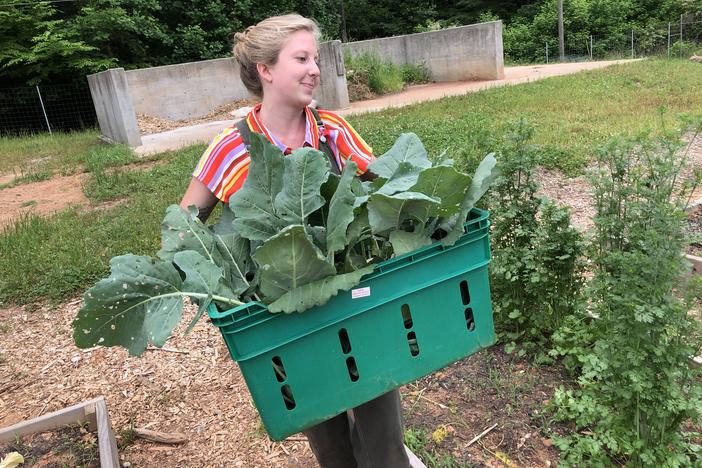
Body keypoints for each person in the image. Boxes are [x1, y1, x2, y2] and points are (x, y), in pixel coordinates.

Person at [179, 13, 410, 468]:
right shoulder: (232, 147)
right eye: (301, 58)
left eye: (316, 58)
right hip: (283, 315)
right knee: (326, 435)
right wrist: (211, 273)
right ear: (265, 70)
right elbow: (185, 222)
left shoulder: (331, 132)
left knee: (382, 423)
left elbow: (387, 186)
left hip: (352, 302)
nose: (315, 69)